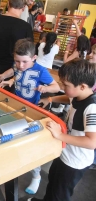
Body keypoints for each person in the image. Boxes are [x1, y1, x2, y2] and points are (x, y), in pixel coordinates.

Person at [28, 59, 96, 201]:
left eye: (66, 85)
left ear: (82, 86)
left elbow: (91, 142)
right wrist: (51, 100)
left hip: (75, 162)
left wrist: (59, 135)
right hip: (65, 154)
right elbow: (68, 98)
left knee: (60, 194)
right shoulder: (77, 94)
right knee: (53, 182)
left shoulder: (92, 108)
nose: (63, 88)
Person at [0, 39, 60, 104]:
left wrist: (46, 88)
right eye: (17, 61)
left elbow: (56, 88)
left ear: (34, 58)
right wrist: (7, 78)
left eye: (25, 61)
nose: (20, 65)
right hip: (16, 100)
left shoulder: (41, 70)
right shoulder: (16, 65)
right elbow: (15, 72)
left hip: (31, 105)